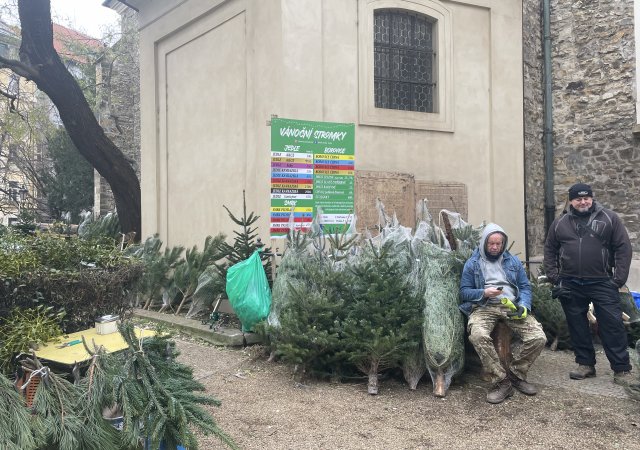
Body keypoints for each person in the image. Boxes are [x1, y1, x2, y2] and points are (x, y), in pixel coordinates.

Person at [543, 182, 633, 384]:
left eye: (586, 198)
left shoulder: (610, 219)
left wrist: (617, 279)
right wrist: (555, 278)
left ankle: (621, 369)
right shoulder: (560, 223)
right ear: (571, 201)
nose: (583, 202)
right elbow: (549, 250)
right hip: (571, 283)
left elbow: (623, 248)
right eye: (578, 198)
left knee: (612, 325)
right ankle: (585, 365)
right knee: (577, 325)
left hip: (603, 282)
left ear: (592, 198)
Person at [460, 223, 547, 404]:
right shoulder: (473, 263)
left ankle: (516, 374)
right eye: (491, 244)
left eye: (498, 244)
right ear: (484, 243)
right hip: (484, 307)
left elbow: (524, 287)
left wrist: (523, 305)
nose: (495, 247)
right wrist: (483, 293)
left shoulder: (512, 261)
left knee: (538, 337)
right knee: (477, 335)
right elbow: (464, 292)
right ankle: (502, 381)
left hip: (510, 306)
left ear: (503, 243)